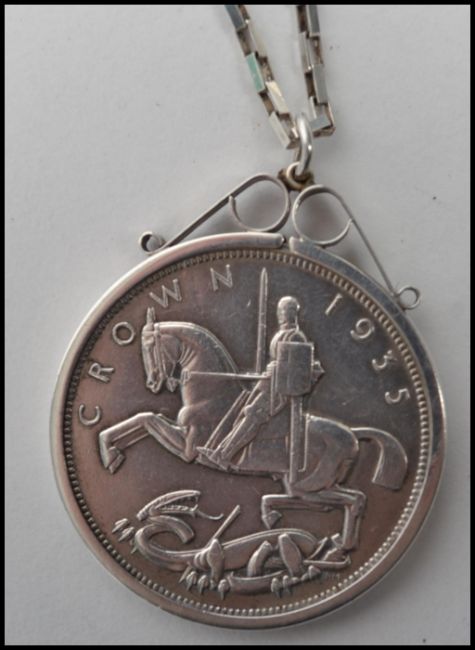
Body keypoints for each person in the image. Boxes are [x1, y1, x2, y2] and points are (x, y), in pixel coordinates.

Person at [198, 296, 324, 470]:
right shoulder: (280, 334)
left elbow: (297, 368)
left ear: (293, 313)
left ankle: (224, 455)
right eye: (280, 310)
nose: (282, 314)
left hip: (280, 390)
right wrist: (267, 371)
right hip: (268, 384)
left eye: (286, 310)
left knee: (252, 416)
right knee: (242, 410)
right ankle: (219, 451)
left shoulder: (296, 336)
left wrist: (276, 369)